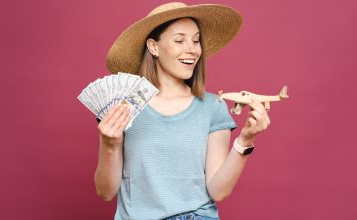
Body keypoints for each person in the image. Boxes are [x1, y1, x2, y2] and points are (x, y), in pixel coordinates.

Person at [94, 2, 270, 220]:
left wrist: (246, 140)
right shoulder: (122, 107)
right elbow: (105, 192)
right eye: (179, 40)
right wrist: (109, 144)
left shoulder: (213, 107)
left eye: (196, 41)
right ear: (153, 47)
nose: (193, 49)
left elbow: (219, 190)